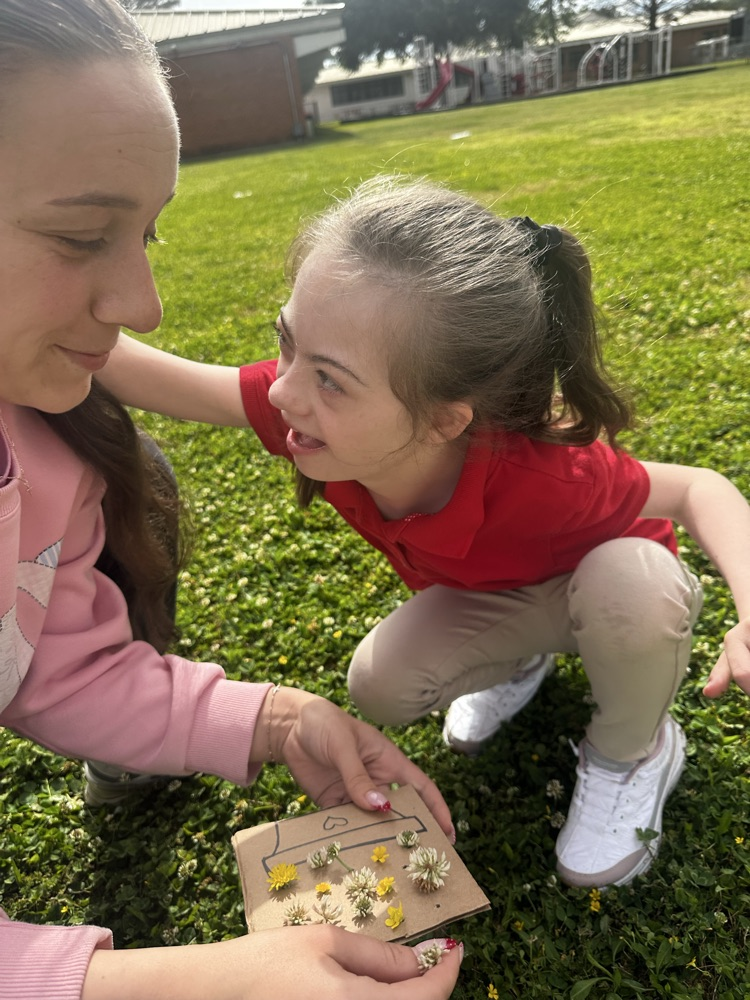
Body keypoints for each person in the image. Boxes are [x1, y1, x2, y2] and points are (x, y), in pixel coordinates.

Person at [102, 175, 750, 893]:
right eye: (287, 346)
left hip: (606, 588)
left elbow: (699, 488)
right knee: (380, 685)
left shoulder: (547, 475)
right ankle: (520, 666)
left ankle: (633, 753)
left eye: (331, 380)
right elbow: (146, 375)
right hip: (502, 599)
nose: (284, 393)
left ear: (447, 420)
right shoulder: (308, 414)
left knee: (633, 589)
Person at [0, 3, 465, 998]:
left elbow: (52, 669)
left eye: (147, 233)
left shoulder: (53, 447)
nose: (142, 304)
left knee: (145, 480)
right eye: (82, 235)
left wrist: (275, 719)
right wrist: (179, 982)